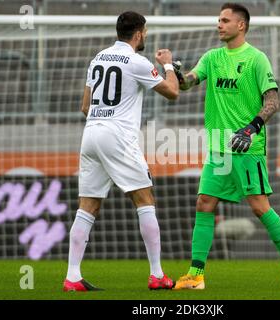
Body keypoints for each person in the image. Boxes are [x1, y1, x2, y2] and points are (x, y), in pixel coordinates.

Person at [172, 3, 280, 290]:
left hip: (247, 147)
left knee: (260, 208)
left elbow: (272, 101)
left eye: (225, 20)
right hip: (219, 148)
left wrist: (252, 127)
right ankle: (196, 275)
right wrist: (176, 73)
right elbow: (188, 84)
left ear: (241, 25)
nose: (219, 25)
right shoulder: (212, 57)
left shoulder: (257, 59)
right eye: (218, 20)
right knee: (205, 203)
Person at [63, 11, 179, 291]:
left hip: (91, 134)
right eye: (145, 33)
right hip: (118, 136)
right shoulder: (137, 61)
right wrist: (169, 65)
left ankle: (72, 277)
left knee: (87, 206)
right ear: (138, 34)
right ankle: (157, 274)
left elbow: (84, 106)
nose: (146, 37)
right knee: (145, 198)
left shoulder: (98, 58)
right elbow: (173, 92)